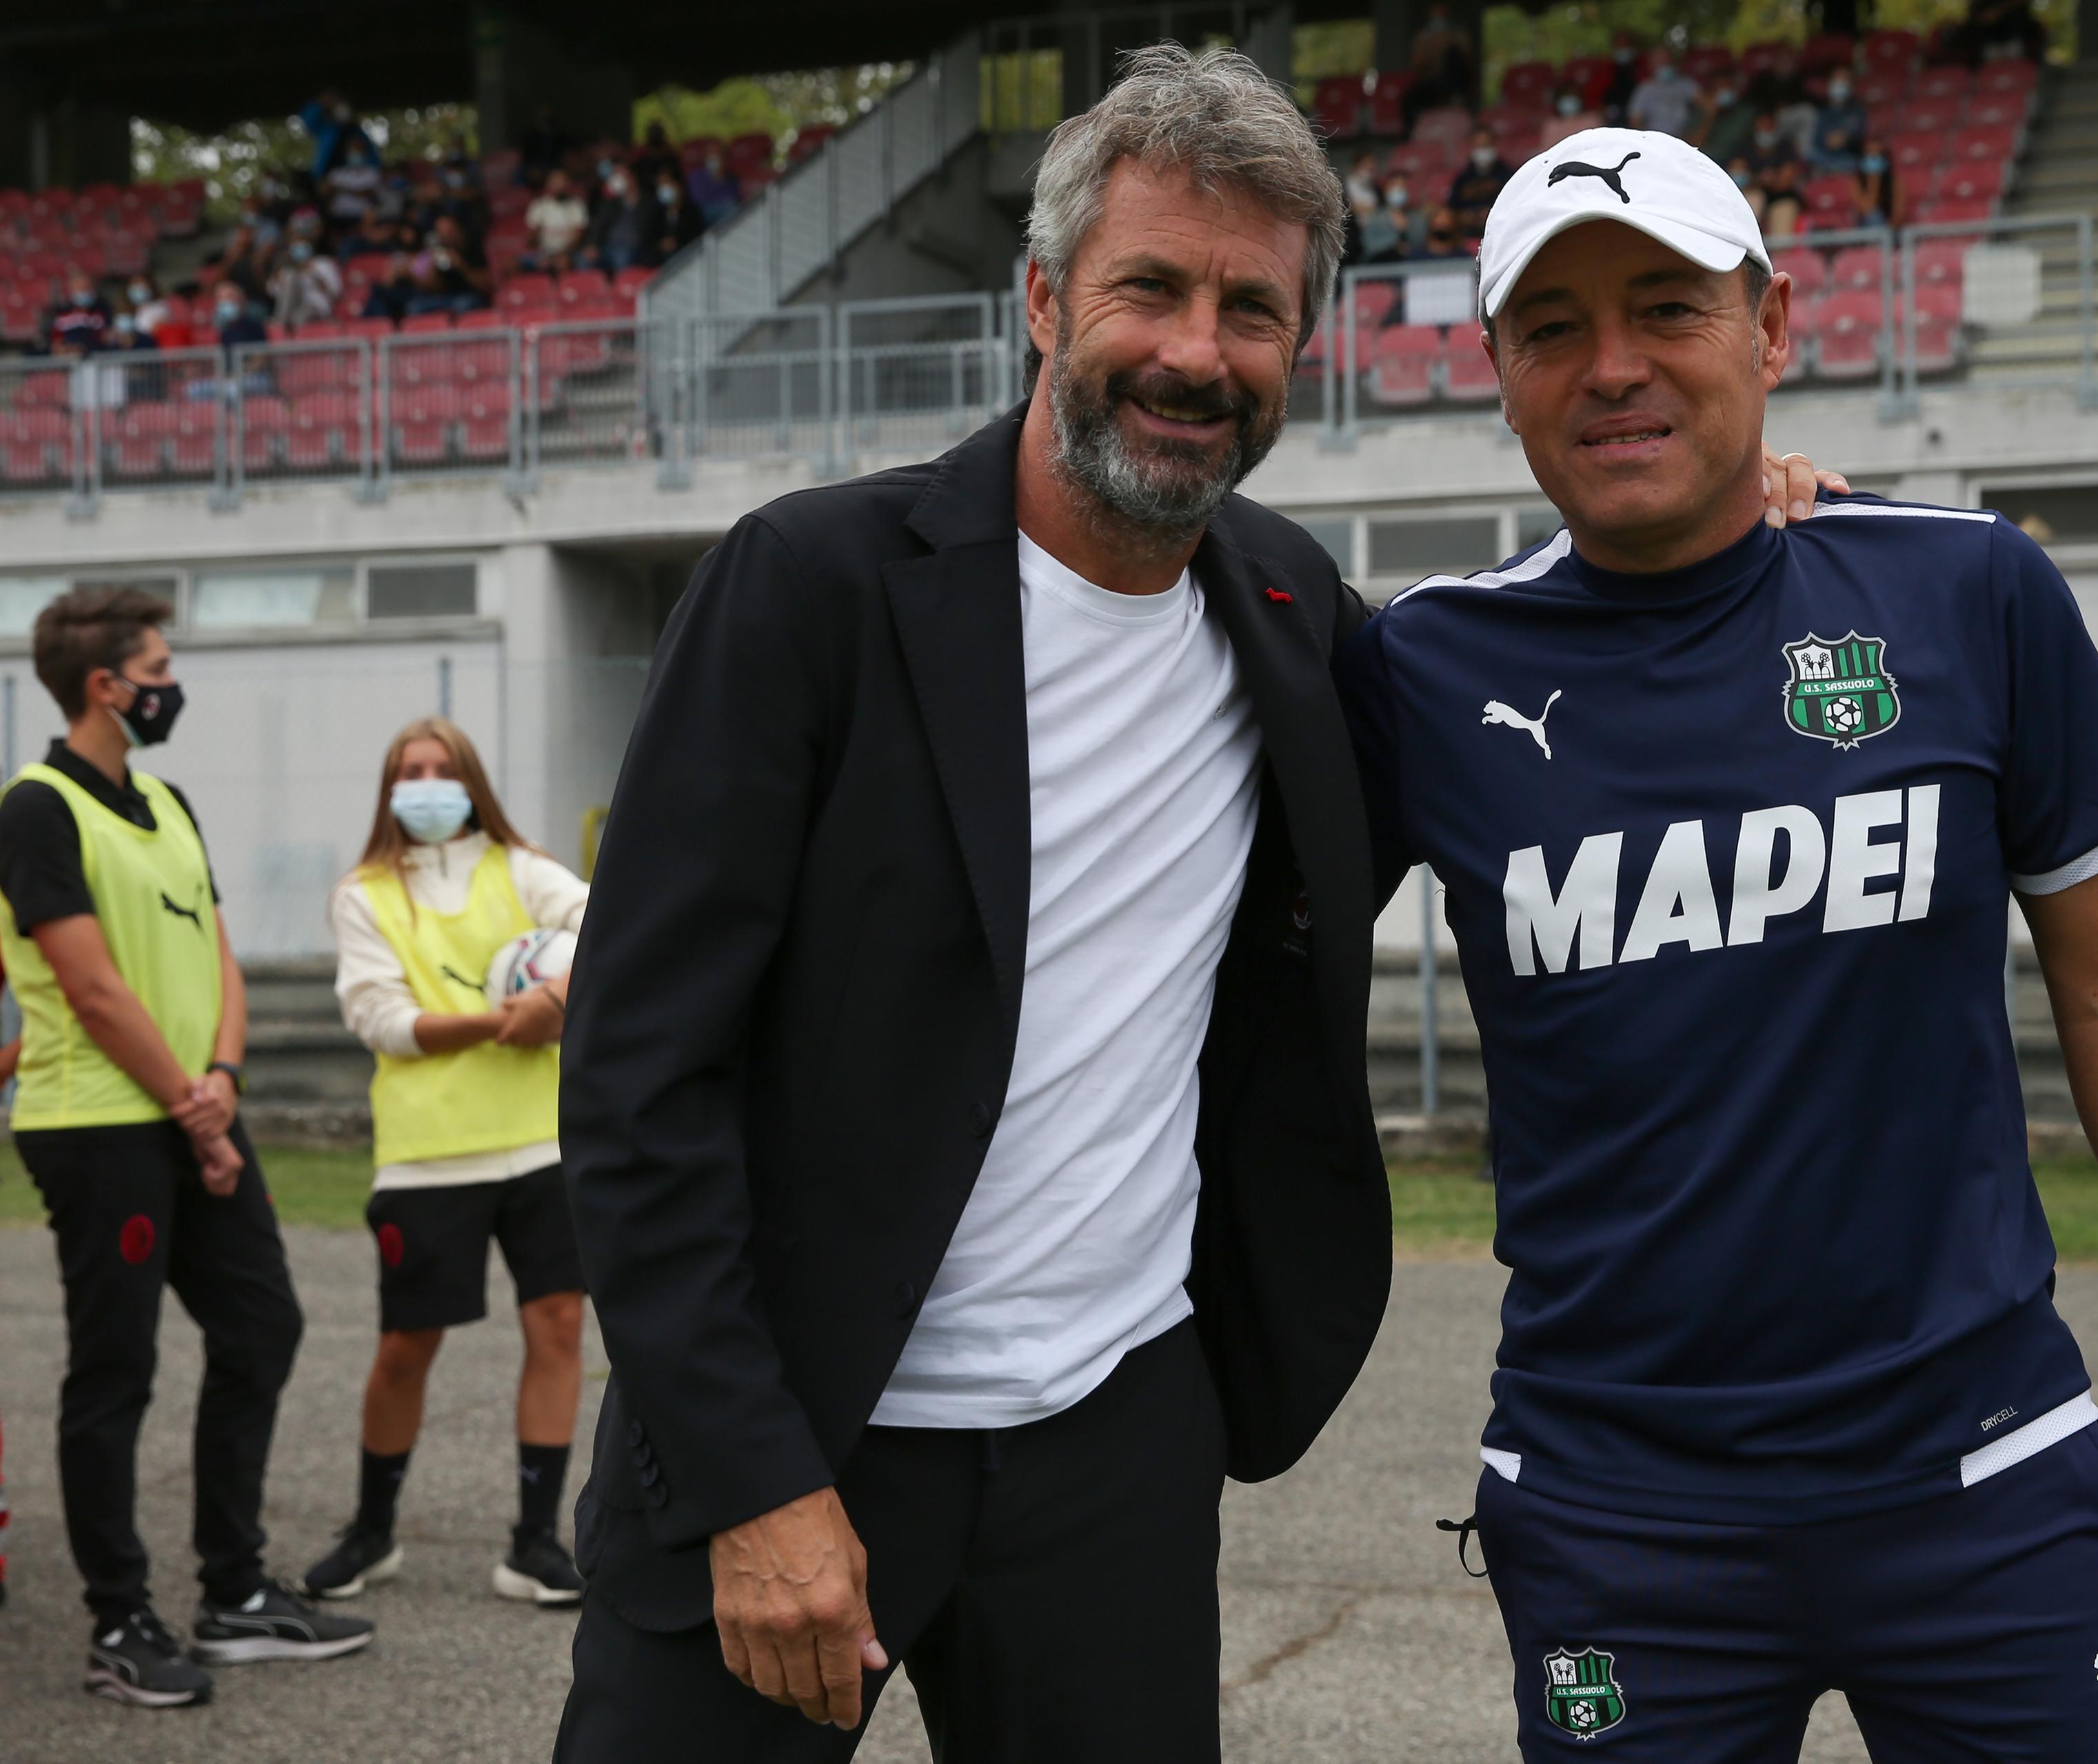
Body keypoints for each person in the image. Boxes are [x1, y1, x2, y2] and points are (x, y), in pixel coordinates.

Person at [1333, 129, 2098, 1761]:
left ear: (1772, 331)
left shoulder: (1967, 591)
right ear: (1492, 369)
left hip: (1981, 1467)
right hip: (1615, 1502)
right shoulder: (1423, 668)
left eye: (1666, 309)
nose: (1611, 365)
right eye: (1550, 326)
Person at [549, 45, 1391, 1763]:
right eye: (1146, 287)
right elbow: (637, 1080)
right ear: (1038, 295)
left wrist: (1754, 524)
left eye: (1250, 309)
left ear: (1297, 349)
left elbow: (1571, 681)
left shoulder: (1301, 618)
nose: (1193, 351)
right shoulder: (804, 591)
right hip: (791, 1437)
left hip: (1113, 1441)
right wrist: (755, 1476)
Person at [0, 587, 375, 1709]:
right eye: (157, 663)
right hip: (98, 1122)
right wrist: (189, 1104)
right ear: (106, 683)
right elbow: (89, 983)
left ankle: (235, 1587)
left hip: (190, 1104)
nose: (172, 681)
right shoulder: (33, 807)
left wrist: (221, 1082)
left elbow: (219, 956)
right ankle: (118, 1617)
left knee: (263, 1322)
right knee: (117, 1369)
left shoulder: (167, 799)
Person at [296, 718, 589, 1610]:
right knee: (404, 1347)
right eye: (410, 771)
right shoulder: (365, 891)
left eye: (443, 769)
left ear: (472, 782)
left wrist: (560, 996)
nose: (427, 784)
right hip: (429, 1154)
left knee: (560, 1329)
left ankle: (534, 1543)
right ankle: (372, 1530)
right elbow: (381, 1018)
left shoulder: (523, 867)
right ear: (390, 789)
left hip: (542, 1140)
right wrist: (514, 1021)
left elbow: (614, 927)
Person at [1404, 0, 1477, 132]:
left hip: (1454, 82)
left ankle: (1457, 98)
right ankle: (1412, 134)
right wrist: (1431, 46)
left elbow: (1468, 58)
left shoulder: (1458, 33)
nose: (1439, 14)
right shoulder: (1423, 36)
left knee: (1453, 54)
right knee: (1409, 99)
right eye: (1435, 10)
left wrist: (1449, 41)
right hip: (1432, 82)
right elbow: (1416, 64)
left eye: (1441, 10)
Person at [1624, 45, 1711, 141]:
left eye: (1667, 61)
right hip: (1655, 141)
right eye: (1660, 62)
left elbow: (1707, 105)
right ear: (1651, 65)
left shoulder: (1685, 85)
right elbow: (1635, 121)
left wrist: (1698, 134)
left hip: (1683, 141)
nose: (1665, 65)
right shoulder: (1644, 89)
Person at [1447, 128, 1514, 239]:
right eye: (1479, 146)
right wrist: (1464, 215)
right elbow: (1453, 206)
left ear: (1494, 146)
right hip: (1466, 235)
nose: (1482, 151)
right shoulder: (1463, 178)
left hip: (1499, 234)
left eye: (1486, 146)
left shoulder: (1508, 176)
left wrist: (1491, 214)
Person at [268, 239, 343, 334]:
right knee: (290, 276)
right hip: (294, 306)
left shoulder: (323, 264)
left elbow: (335, 294)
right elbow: (274, 292)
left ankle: (283, 330)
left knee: (297, 319)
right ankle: (280, 324)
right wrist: (278, 274)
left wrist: (313, 274)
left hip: (317, 306)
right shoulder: (292, 270)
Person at [526, 170, 590, 272]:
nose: (560, 186)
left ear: (568, 185)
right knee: (511, 264)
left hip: (569, 252)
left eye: (563, 182)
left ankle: (567, 288)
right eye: (556, 183)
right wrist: (535, 234)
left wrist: (560, 254)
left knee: (563, 263)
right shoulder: (539, 205)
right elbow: (530, 241)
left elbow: (579, 237)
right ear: (548, 185)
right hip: (544, 252)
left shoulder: (577, 205)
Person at [1809, 70, 1868, 170]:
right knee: (1811, 155)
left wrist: (1846, 138)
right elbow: (1816, 139)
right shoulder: (1824, 111)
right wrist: (1827, 140)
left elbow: (1860, 135)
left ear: (1850, 86)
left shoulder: (1857, 110)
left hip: (1848, 158)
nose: (1839, 86)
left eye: (1843, 82)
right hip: (1824, 157)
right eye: (1836, 82)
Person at [39, 273, 110, 356]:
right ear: (71, 289)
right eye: (80, 288)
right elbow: (53, 341)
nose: (84, 291)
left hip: (99, 357)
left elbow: (109, 335)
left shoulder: (104, 309)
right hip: (67, 359)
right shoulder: (58, 312)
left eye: (87, 287)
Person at [1853, 137, 1905, 228]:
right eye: (1870, 155)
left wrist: (1888, 233)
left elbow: (1899, 213)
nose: (1873, 159)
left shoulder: (1895, 182)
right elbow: (1868, 208)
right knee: (1874, 216)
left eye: (1877, 155)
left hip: (1890, 230)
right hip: (1866, 229)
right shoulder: (1856, 183)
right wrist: (1874, 179)